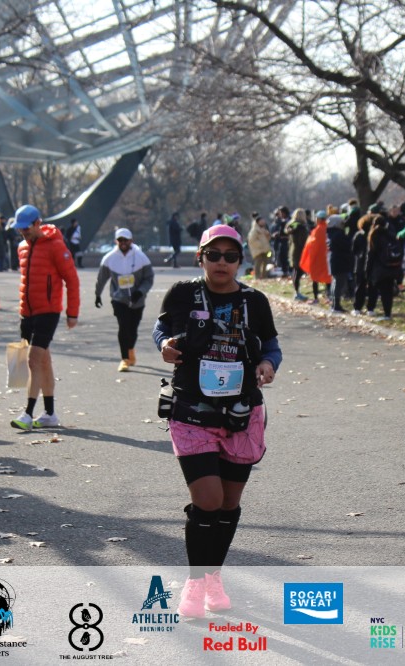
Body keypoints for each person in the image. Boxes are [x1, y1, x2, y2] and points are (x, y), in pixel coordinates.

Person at [152, 224, 282, 618]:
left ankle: (213, 577)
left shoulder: (254, 301)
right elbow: (162, 328)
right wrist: (164, 345)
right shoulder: (182, 293)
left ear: (240, 260)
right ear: (201, 257)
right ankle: (195, 583)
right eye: (213, 255)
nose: (221, 262)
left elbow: (271, 344)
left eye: (230, 256)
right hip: (192, 409)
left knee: (228, 503)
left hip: (241, 412)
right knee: (207, 500)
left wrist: (267, 363)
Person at [9, 204, 80, 430]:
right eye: (20, 228)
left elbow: (72, 279)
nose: (23, 232)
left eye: (26, 228)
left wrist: (72, 313)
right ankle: (49, 414)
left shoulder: (56, 246)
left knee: (33, 360)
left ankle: (27, 413)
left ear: (37, 223)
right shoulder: (22, 247)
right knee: (43, 362)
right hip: (27, 312)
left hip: (48, 311)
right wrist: (22, 309)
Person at [94, 228, 154, 372]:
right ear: (116, 241)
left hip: (137, 300)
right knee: (123, 326)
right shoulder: (109, 258)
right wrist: (98, 294)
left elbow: (149, 278)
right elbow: (101, 278)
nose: (123, 243)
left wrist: (140, 292)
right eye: (120, 240)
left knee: (133, 329)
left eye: (125, 240)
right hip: (119, 299)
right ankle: (124, 359)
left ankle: (130, 349)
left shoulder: (141, 257)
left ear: (131, 241)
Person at [366, 215, 402, 321]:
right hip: (392, 267)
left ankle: (381, 312)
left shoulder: (374, 236)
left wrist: (367, 271)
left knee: (381, 291)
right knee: (388, 292)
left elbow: (371, 255)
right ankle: (387, 313)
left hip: (379, 268)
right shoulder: (391, 235)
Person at [326, 214, 352, 313]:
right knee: (339, 283)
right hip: (340, 260)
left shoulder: (330, 233)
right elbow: (347, 245)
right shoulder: (338, 234)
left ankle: (334, 304)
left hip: (335, 259)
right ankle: (336, 305)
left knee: (335, 282)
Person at [285, 208, 310, 300]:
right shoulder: (301, 227)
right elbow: (302, 241)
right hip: (300, 251)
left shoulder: (291, 225)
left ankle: (296, 292)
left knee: (295, 271)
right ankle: (297, 293)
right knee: (298, 272)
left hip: (293, 250)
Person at [246, 214, 271, 280]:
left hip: (265, 250)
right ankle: (257, 277)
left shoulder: (263, 230)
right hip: (258, 250)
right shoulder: (254, 230)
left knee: (265, 263)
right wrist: (260, 245)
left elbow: (267, 239)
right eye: (261, 221)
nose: (263, 222)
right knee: (258, 263)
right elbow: (252, 240)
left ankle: (264, 276)